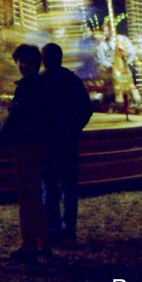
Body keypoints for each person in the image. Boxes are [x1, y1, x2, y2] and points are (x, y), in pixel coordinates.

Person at [0, 44, 52, 263]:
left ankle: (30, 244)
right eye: (20, 61)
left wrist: (3, 129)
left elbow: (19, 115)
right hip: (38, 142)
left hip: (26, 144)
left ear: (35, 63)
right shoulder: (42, 85)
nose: (22, 65)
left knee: (27, 196)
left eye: (26, 61)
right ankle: (43, 243)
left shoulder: (27, 86)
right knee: (35, 195)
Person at [40, 43, 93, 245]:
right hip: (69, 140)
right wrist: (76, 127)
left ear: (44, 59)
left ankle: (53, 229)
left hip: (48, 142)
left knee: (50, 186)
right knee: (70, 187)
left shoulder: (41, 82)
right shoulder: (72, 80)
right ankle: (69, 229)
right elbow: (87, 108)